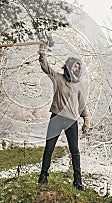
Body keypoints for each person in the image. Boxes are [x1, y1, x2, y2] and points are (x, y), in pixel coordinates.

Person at [37, 39, 90, 190]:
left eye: (78, 68)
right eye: (74, 66)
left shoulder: (79, 85)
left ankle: (78, 181)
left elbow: (82, 104)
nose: (76, 69)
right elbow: (45, 66)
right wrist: (43, 49)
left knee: (75, 151)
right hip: (57, 118)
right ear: (68, 67)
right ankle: (43, 176)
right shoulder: (58, 78)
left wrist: (86, 119)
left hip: (72, 121)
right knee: (49, 148)